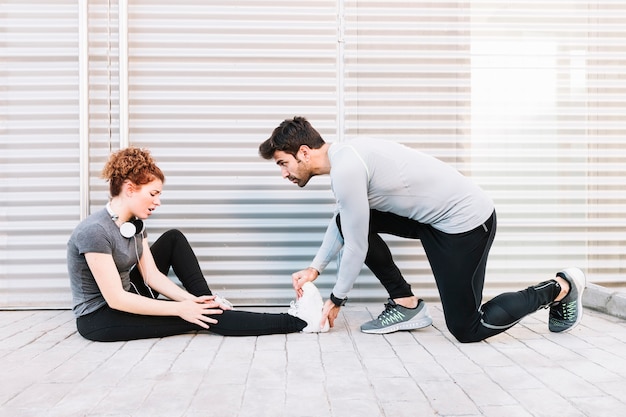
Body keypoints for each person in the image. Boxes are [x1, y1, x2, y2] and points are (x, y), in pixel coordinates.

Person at [258, 116, 586, 343]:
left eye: (283, 163)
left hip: (467, 224)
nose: (284, 174)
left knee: (467, 328)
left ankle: (559, 289)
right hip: (435, 220)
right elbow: (346, 220)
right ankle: (406, 304)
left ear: (303, 152)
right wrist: (316, 268)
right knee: (350, 219)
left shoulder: (347, 167)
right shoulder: (346, 155)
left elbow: (356, 246)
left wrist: (336, 299)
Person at [67, 146, 328, 342]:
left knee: (175, 241)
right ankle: (300, 321)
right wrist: (182, 308)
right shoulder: (94, 231)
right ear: (130, 188)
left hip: (132, 296)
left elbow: (152, 275)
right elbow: (116, 299)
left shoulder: (134, 224)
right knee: (206, 320)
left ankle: (208, 301)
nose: (158, 201)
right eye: (154, 194)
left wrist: (195, 301)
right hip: (103, 317)